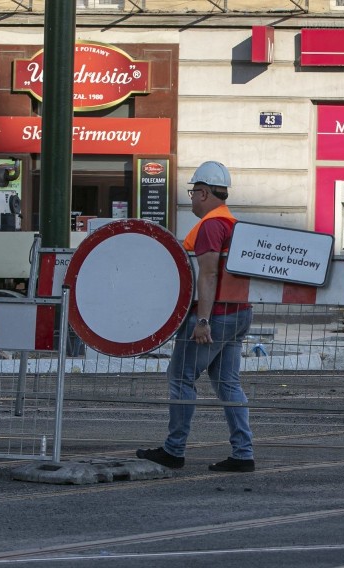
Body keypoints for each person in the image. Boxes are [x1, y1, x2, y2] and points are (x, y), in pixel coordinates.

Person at [136, 161, 255, 473]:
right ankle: (243, 454)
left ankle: (174, 450)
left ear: (203, 193)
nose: (191, 199)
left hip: (214, 317)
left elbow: (209, 274)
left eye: (192, 193)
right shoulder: (231, 223)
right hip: (238, 314)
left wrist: (202, 322)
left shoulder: (210, 226)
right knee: (228, 383)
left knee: (180, 378)